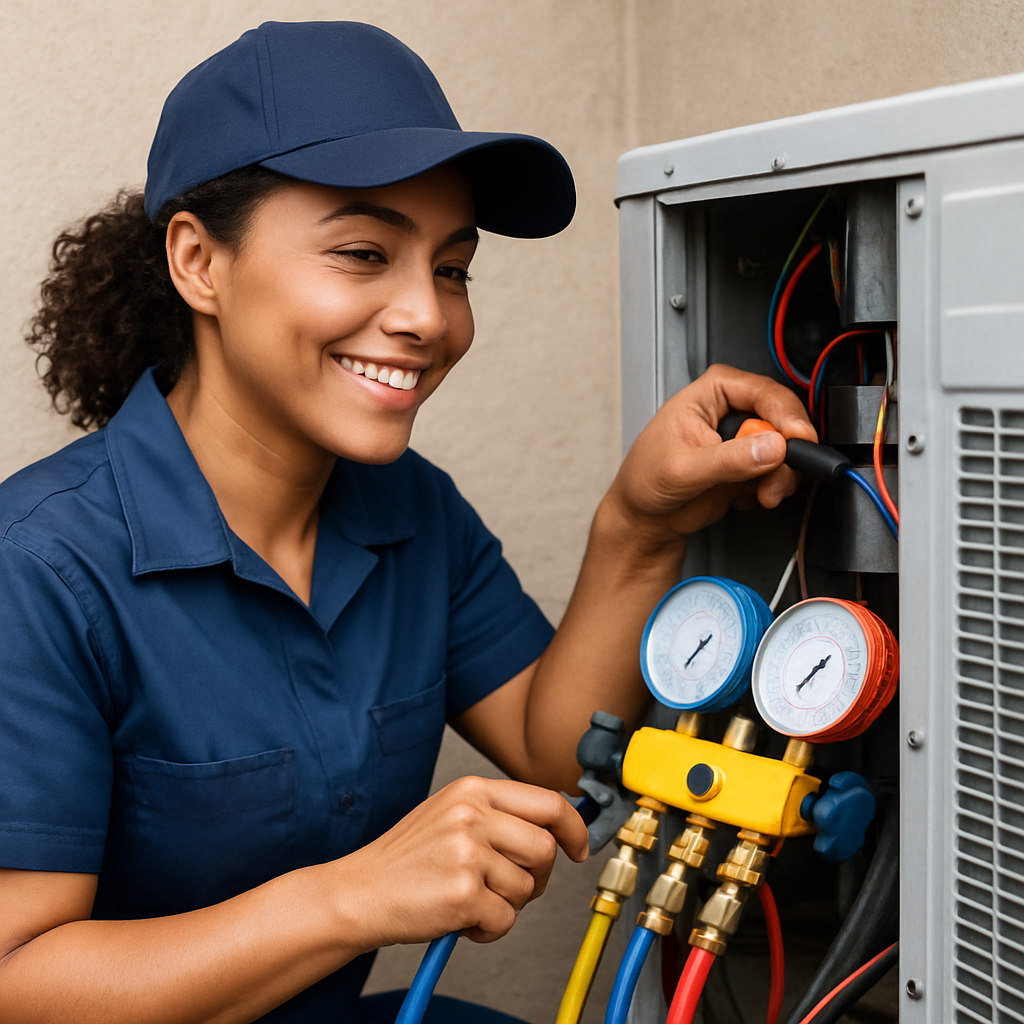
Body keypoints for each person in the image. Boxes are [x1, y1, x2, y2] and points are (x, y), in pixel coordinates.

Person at [0, 20, 814, 1024]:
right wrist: (351, 896)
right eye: (361, 253)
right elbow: (15, 980)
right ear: (197, 262)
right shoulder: (39, 567)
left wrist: (638, 525)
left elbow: (553, 752)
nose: (427, 316)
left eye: (451, 267)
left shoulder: (411, 509)